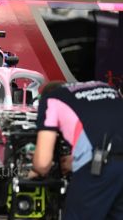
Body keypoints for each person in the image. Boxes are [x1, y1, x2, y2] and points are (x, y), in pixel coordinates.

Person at [30, 81, 123, 220]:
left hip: (99, 167)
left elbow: (43, 164)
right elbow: (102, 127)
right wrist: (77, 161)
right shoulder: (106, 88)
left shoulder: (51, 99)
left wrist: (31, 173)